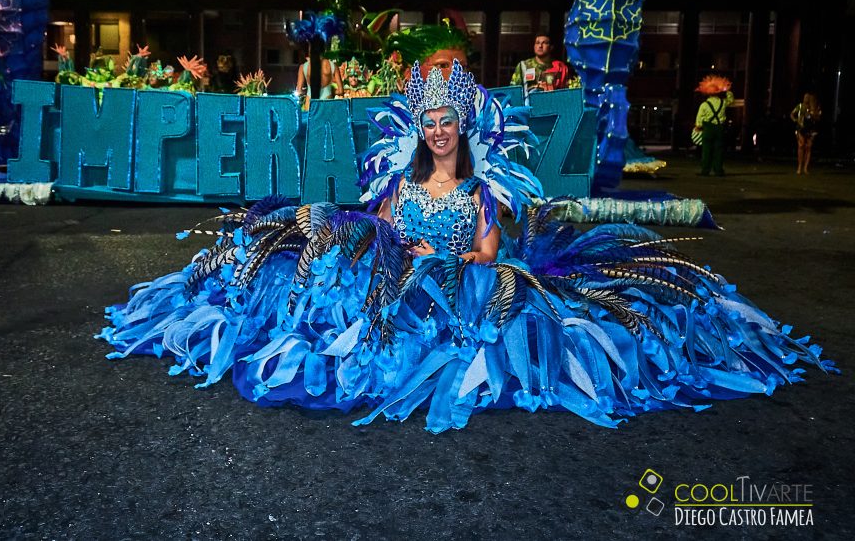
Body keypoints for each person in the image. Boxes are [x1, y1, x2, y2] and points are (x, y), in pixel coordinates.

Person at [97, 59, 836, 433]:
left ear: (463, 126)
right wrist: (395, 243)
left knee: (485, 306)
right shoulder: (395, 182)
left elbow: (487, 256)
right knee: (316, 251)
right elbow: (374, 223)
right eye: (432, 121)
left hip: (449, 279)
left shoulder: (483, 193)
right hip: (404, 270)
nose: (440, 129)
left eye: (450, 119)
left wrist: (438, 259)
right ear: (420, 128)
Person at [693, 75, 735, 177]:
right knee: (719, 150)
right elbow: (731, 101)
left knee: (706, 150)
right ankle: (718, 170)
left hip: (708, 128)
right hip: (720, 128)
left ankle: (705, 170)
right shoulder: (723, 102)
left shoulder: (704, 105)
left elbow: (699, 119)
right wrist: (728, 91)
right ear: (718, 92)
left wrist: (698, 127)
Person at [791, 92, 822, 175]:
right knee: (801, 146)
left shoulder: (815, 107)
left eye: (808, 97)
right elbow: (792, 114)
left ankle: (805, 168)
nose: (807, 98)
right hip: (801, 129)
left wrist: (813, 114)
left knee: (808, 147)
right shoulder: (800, 106)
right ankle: (799, 167)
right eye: (805, 97)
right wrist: (796, 120)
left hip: (811, 130)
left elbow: (818, 118)